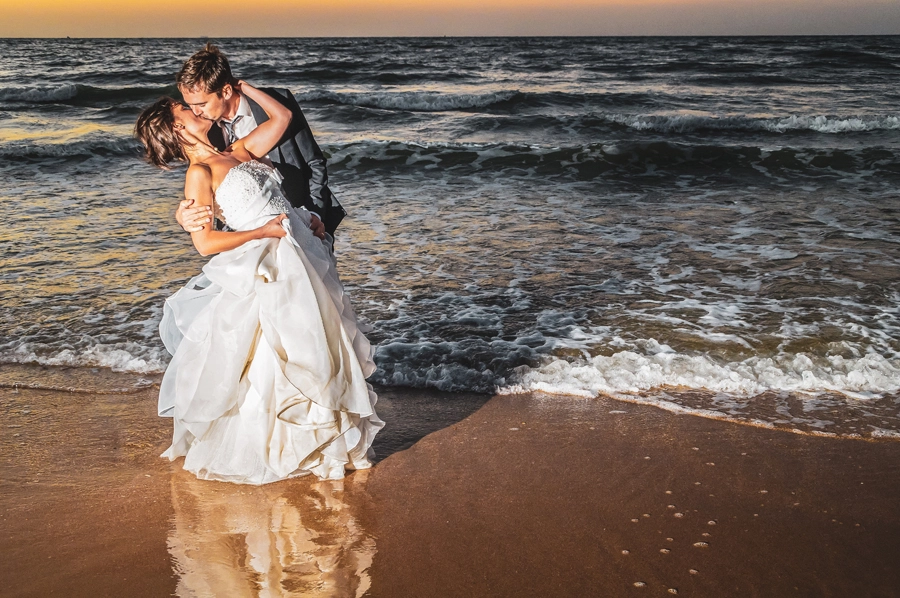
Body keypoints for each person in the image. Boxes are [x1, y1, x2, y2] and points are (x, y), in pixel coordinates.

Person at [135, 80, 383, 484]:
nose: (195, 109)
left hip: (300, 251)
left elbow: (282, 117)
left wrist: (305, 217)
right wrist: (261, 233)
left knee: (319, 342)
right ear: (177, 129)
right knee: (278, 353)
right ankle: (282, 445)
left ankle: (326, 440)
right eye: (185, 109)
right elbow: (205, 243)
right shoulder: (199, 173)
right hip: (265, 262)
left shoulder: (238, 150)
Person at [174, 43, 345, 242]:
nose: (195, 112)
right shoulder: (203, 130)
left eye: (201, 104)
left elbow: (314, 162)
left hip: (306, 224)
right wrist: (184, 218)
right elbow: (204, 189)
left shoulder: (278, 103)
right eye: (190, 105)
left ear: (226, 91)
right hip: (246, 238)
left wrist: (313, 214)